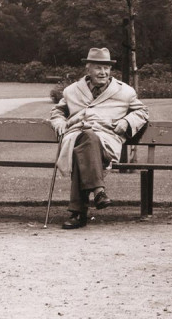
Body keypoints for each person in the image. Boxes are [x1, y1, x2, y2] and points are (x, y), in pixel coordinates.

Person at [49, 47, 149, 229]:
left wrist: (126, 122)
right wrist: (59, 123)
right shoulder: (72, 90)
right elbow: (57, 112)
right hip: (77, 138)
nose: (103, 72)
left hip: (105, 144)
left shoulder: (124, 91)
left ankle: (78, 213)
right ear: (88, 69)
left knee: (85, 143)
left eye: (106, 68)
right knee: (85, 141)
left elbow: (142, 112)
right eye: (98, 68)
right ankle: (98, 191)